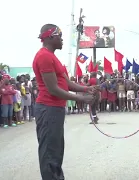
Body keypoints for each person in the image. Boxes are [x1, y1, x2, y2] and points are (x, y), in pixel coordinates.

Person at [33, 24, 100, 180]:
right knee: (50, 152)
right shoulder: (44, 56)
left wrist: (86, 89)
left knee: (55, 150)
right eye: (60, 36)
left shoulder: (52, 57)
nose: (62, 39)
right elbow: (53, 89)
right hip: (48, 108)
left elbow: (66, 83)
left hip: (54, 109)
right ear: (50, 37)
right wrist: (80, 98)